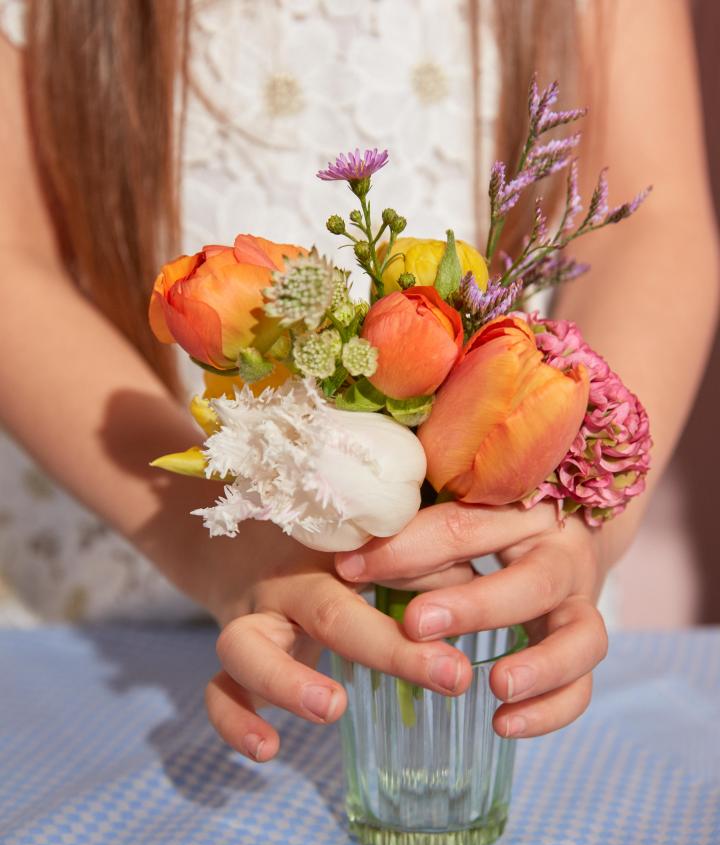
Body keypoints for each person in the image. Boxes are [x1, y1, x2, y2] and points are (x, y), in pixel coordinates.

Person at [0, 0, 716, 762]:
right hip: (103, 618)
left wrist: (584, 525)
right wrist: (219, 547)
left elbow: (650, 221)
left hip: (497, 602)